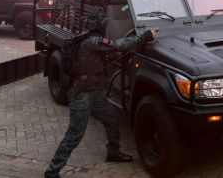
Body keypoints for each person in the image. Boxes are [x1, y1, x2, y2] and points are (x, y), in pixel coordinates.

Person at [45, 11, 156, 178]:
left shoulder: (83, 38)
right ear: (98, 26)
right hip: (81, 94)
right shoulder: (92, 42)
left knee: (112, 119)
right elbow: (118, 44)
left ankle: (113, 152)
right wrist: (143, 38)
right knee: (75, 134)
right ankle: (52, 171)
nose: (106, 27)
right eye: (104, 24)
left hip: (95, 91)